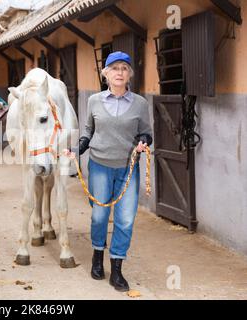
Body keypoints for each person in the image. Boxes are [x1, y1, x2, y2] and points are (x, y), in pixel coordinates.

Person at [65, 51, 153, 292]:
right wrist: (77, 149)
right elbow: (87, 132)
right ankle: (96, 256)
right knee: (99, 216)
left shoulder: (140, 104)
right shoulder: (94, 101)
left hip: (127, 168)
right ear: (106, 73)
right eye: (114, 68)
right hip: (100, 165)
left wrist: (144, 141)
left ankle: (116, 269)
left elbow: (146, 133)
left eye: (124, 68)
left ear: (129, 75)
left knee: (125, 219)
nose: (119, 73)